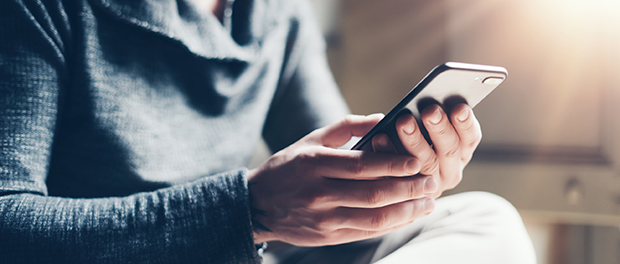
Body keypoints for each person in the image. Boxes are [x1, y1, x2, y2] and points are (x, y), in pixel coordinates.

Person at [0, 0, 535, 263]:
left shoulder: (276, 14)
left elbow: (339, 180)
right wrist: (247, 210)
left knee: (485, 219)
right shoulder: (40, 10)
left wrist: (394, 179)